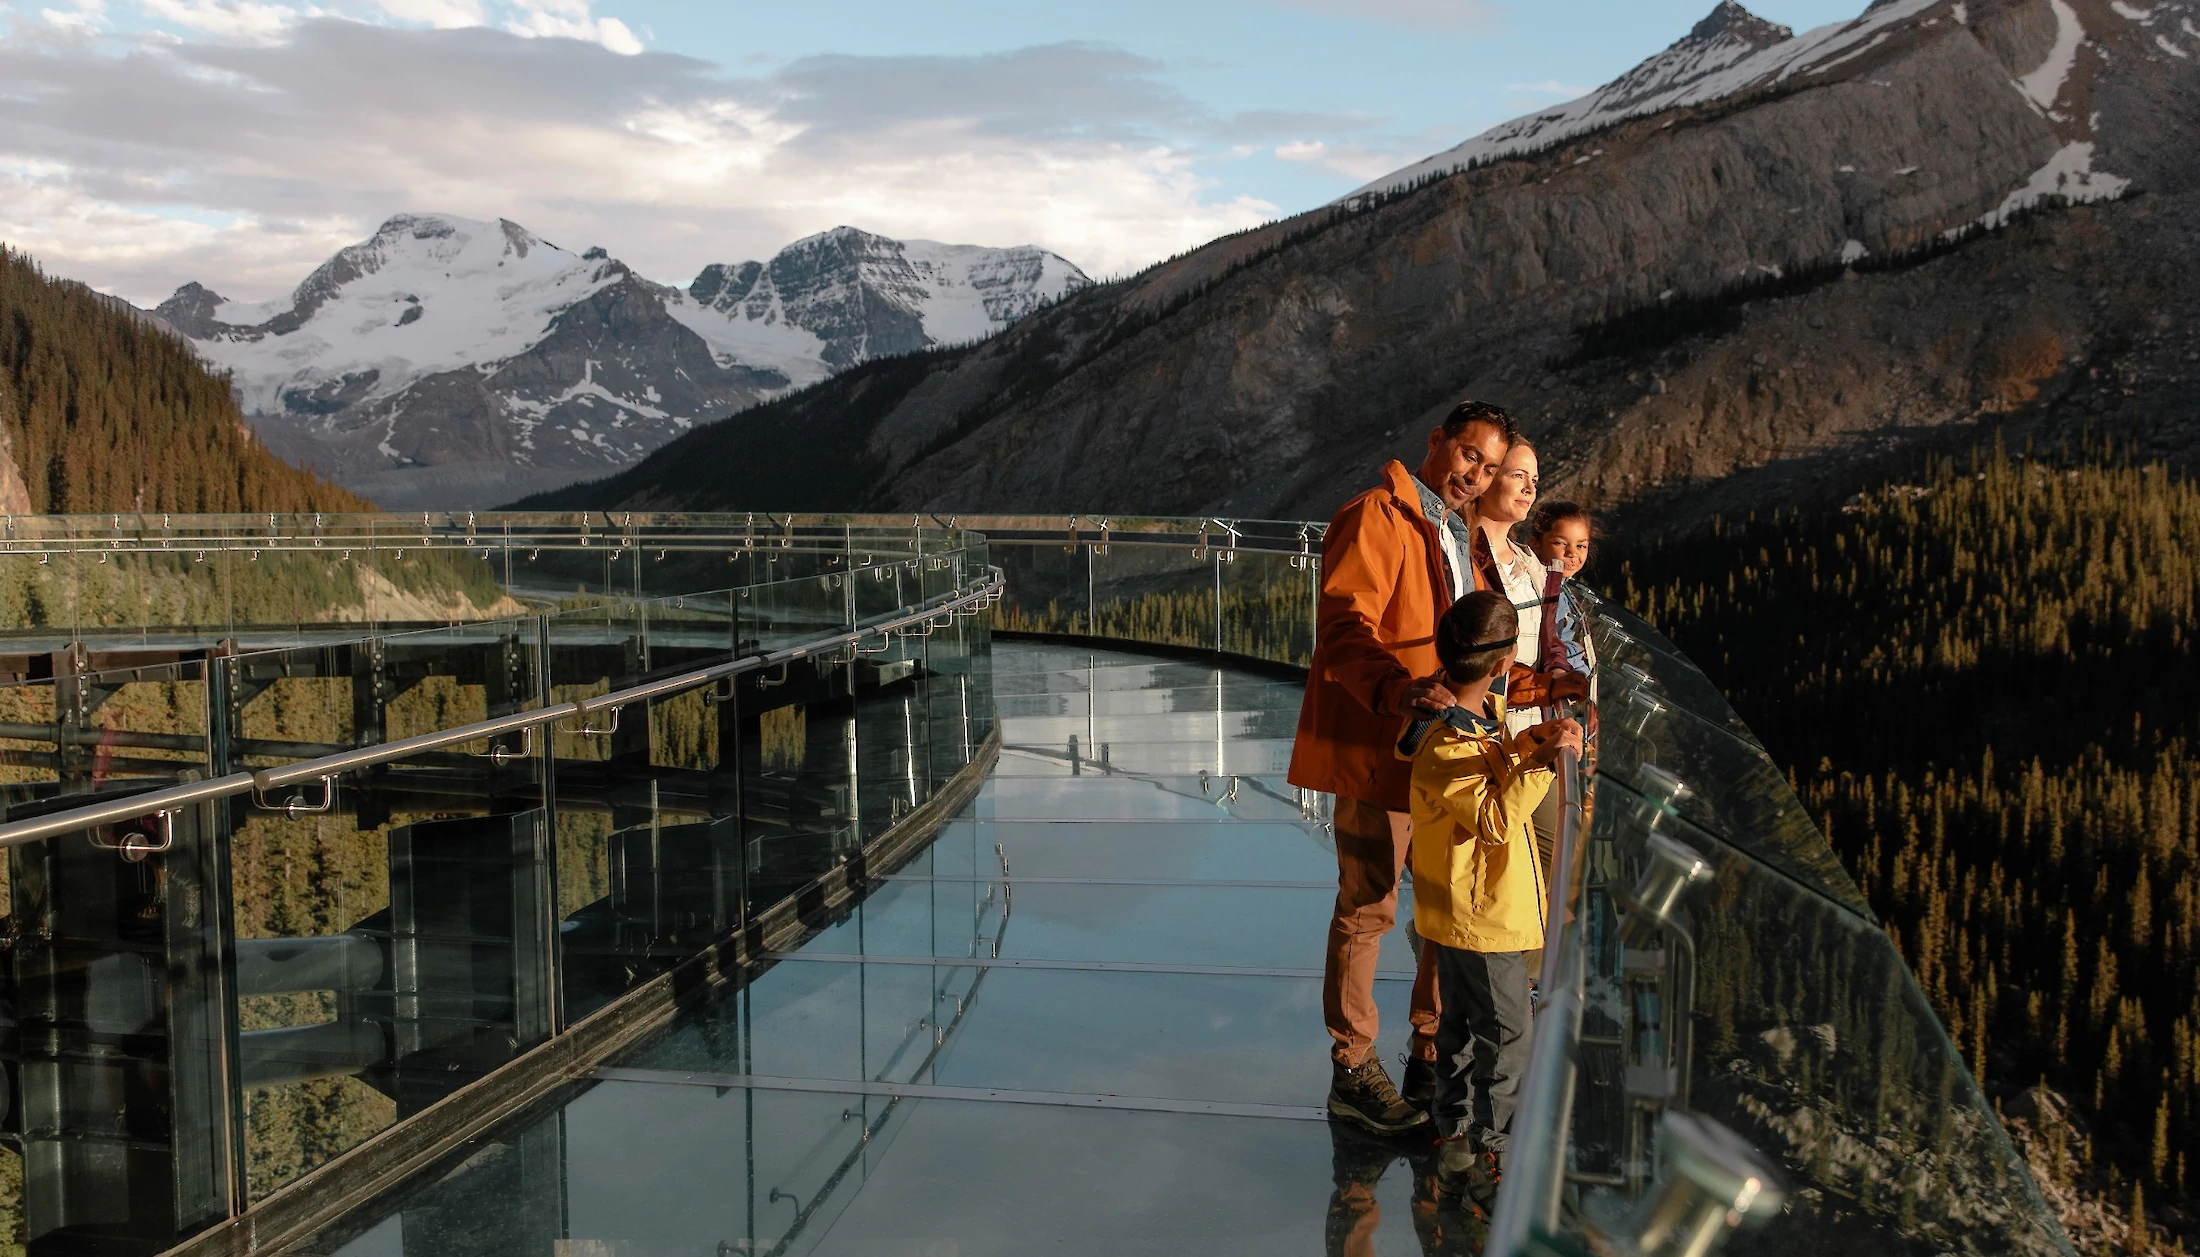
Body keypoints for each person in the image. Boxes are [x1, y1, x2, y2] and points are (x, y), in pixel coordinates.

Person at [1289, 399, 1517, 1136]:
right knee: (1369, 907)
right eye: (1468, 455)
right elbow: (1345, 625)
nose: (1475, 474)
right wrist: (1395, 690)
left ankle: (1426, 1050)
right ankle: (1352, 1069)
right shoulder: (1376, 515)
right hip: (1383, 746)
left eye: (1488, 467)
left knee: (1442, 911)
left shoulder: (1463, 533)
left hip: (1445, 753)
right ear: (1436, 442)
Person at [1398, 591, 1581, 1204]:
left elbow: (1492, 762)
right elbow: (1495, 818)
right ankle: (1490, 1153)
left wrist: (1530, 746)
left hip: (1461, 910)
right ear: (1504, 663)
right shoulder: (1446, 741)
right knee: (1507, 1033)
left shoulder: (1462, 722)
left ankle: (1452, 1136)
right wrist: (1551, 764)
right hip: (1480, 918)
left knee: (1460, 1026)